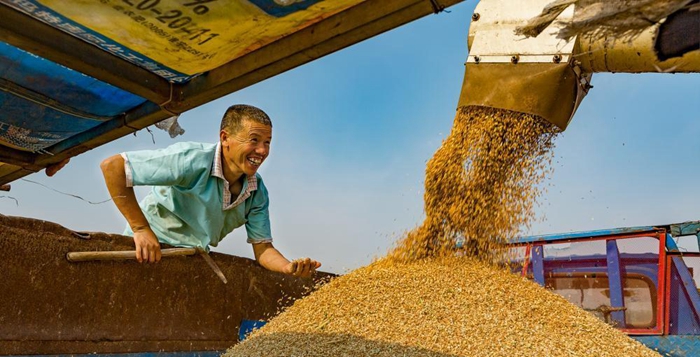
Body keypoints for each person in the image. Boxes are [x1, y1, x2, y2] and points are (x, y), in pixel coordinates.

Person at [100, 104, 321, 278]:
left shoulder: (257, 192)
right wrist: (140, 229)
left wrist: (287, 268)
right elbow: (113, 167)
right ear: (225, 138)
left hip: (190, 261)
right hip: (145, 254)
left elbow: (262, 248)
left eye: (267, 142)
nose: (262, 151)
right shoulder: (190, 160)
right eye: (254, 140)